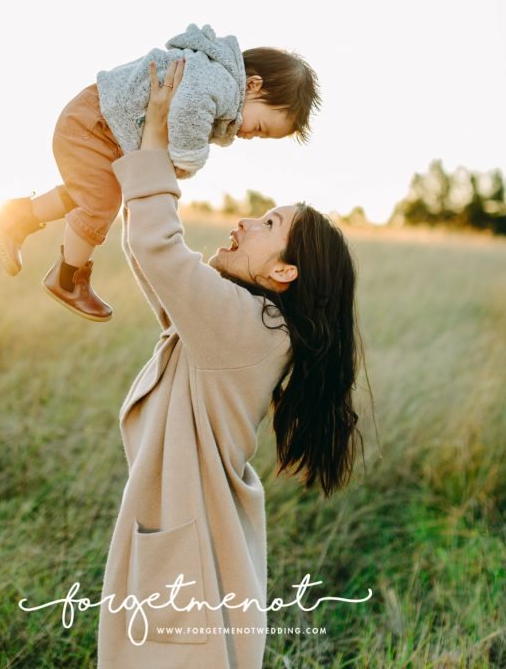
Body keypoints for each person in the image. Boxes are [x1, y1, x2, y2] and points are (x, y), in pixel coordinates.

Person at [97, 59, 366, 669]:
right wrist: (145, 158)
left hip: (187, 539)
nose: (245, 222)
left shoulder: (250, 328)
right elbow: (155, 264)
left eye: (269, 224)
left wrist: (158, 138)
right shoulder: (247, 323)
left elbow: (159, 250)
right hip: (189, 527)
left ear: (283, 273)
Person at [0, 23, 320, 322]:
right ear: (253, 84)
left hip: (100, 123)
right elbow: (189, 113)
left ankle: (19, 215)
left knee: (88, 193)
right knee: (100, 203)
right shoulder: (218, 81)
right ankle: (67, 279)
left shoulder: (215, 78)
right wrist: (185, 161)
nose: (251, 136)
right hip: (95, 123)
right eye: (260, 127)